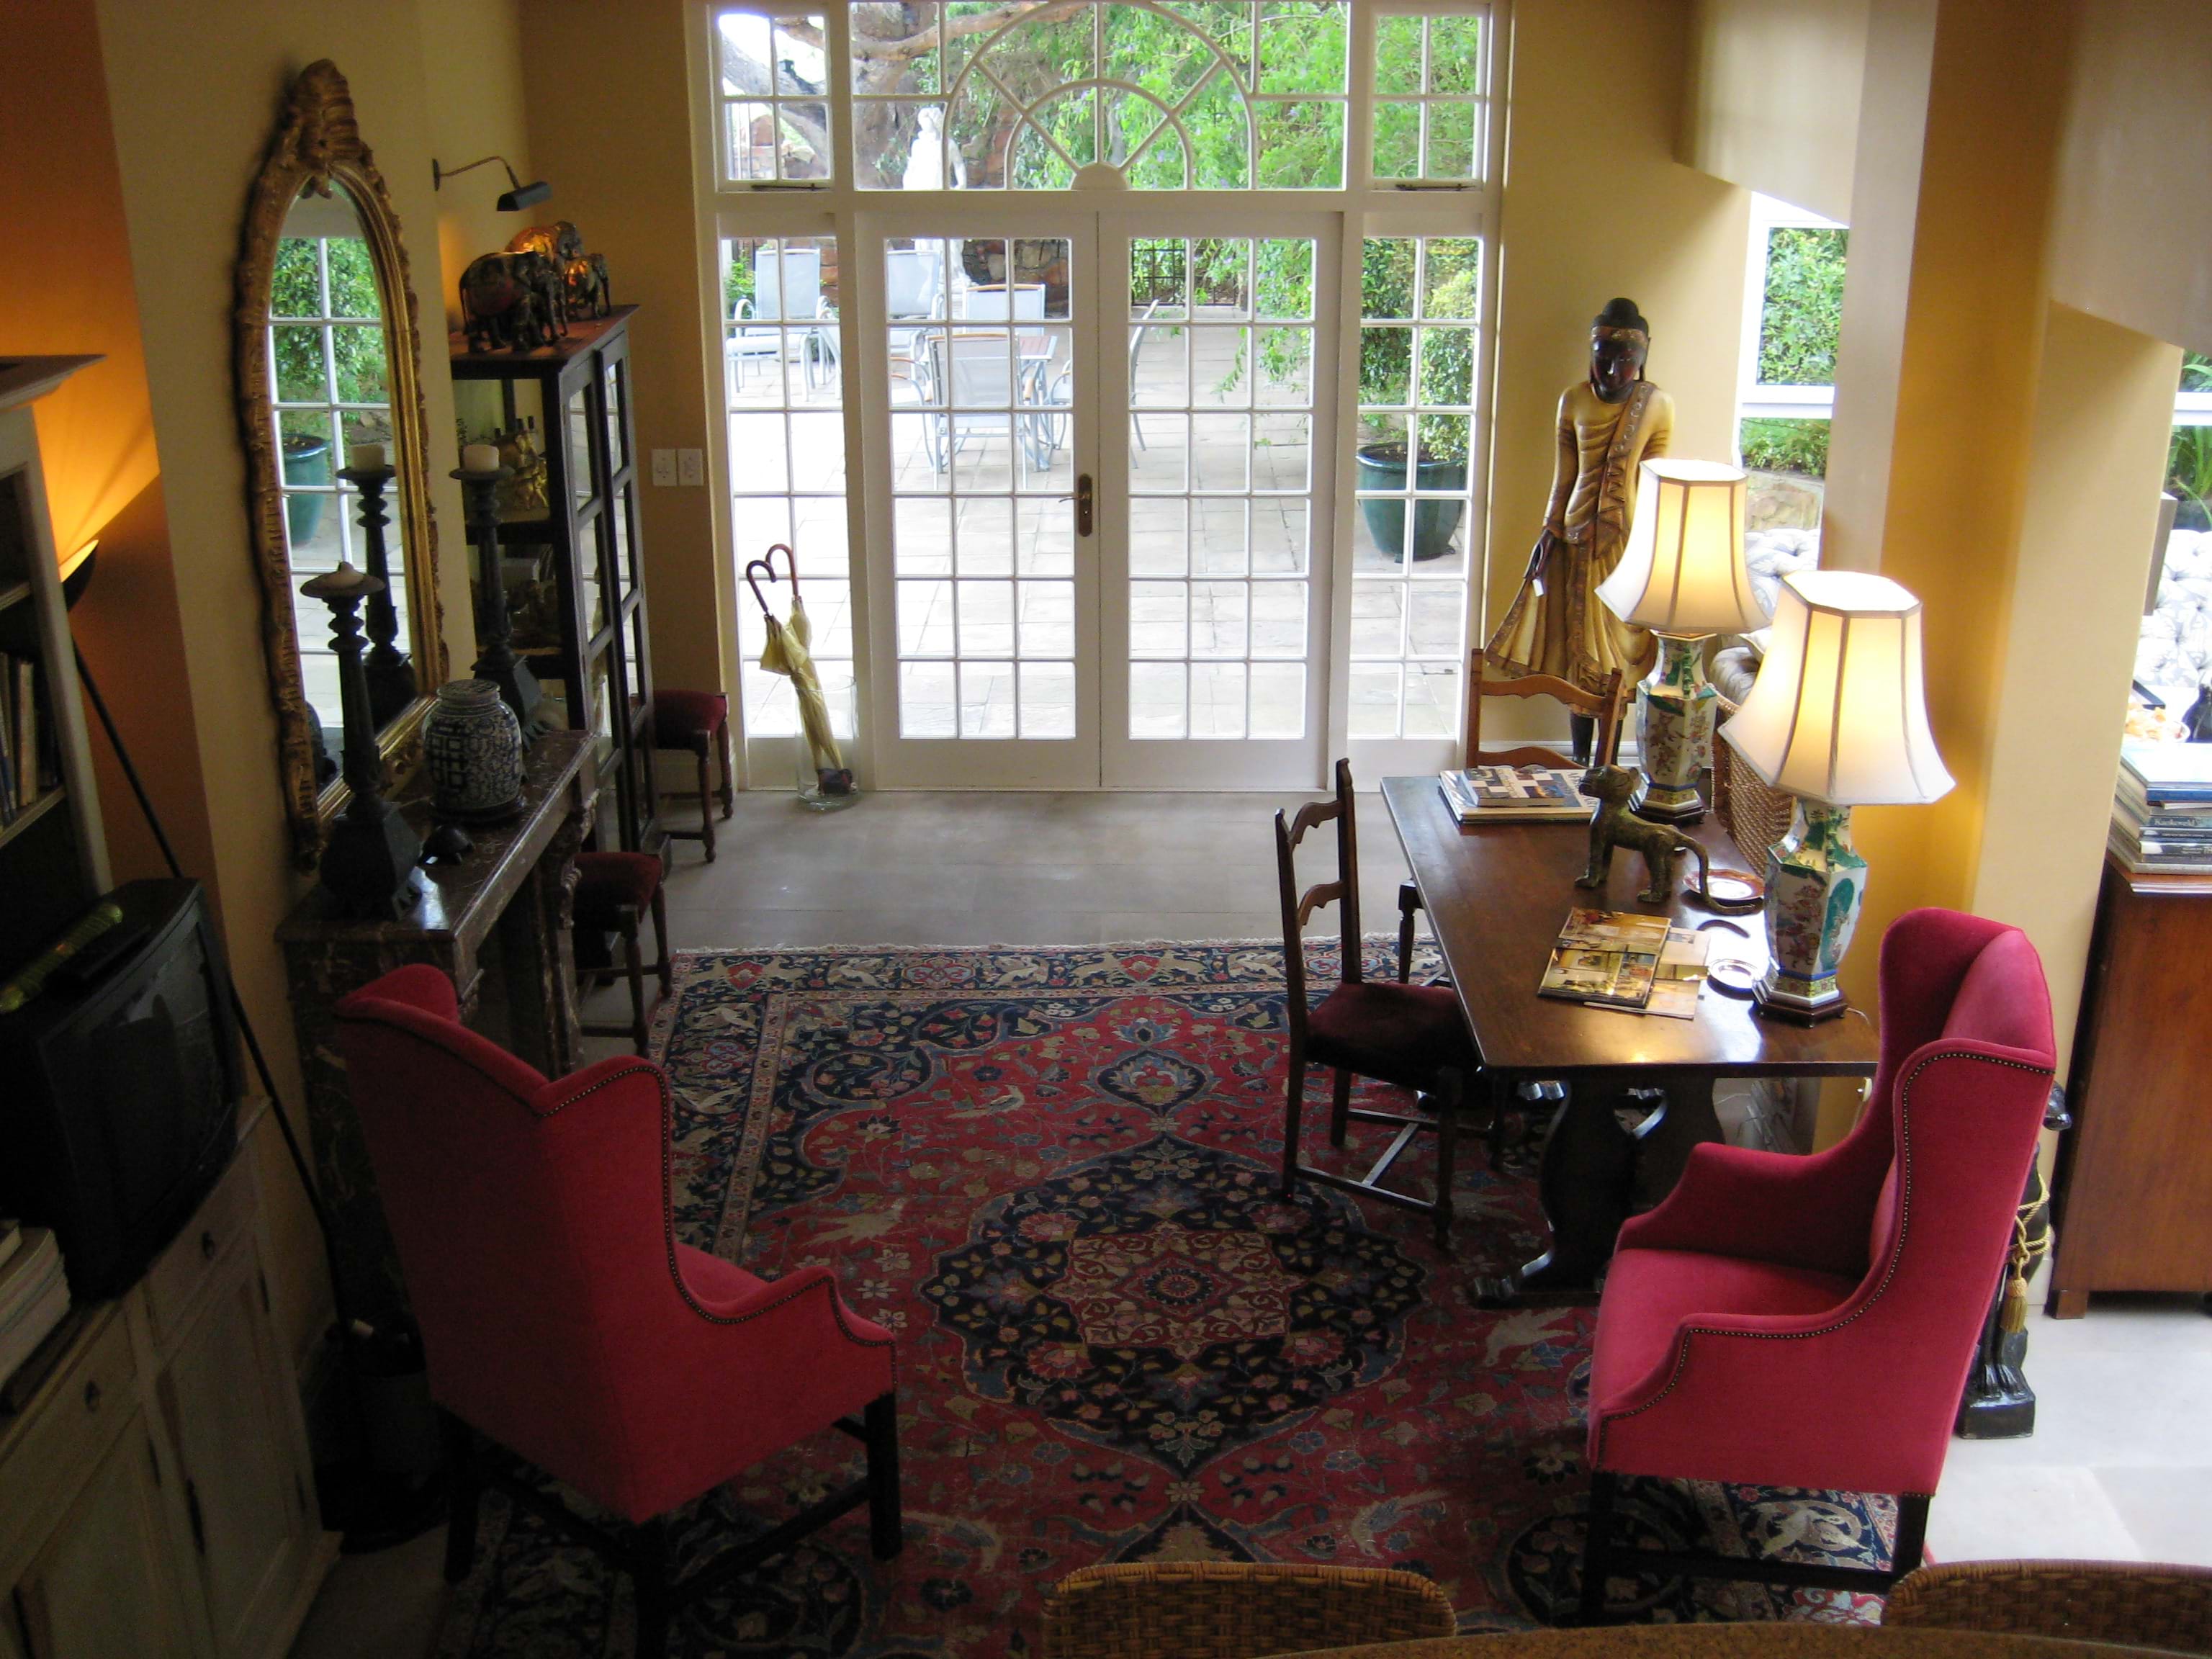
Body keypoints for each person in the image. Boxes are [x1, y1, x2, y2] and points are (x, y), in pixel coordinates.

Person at [1484, 298, 1675, 761]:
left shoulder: (1657, 406)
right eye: (1602, 356)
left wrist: (1660, 548)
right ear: (1591, 352)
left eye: (1625, 360)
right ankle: (1579, 761)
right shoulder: (1573, 400)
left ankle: (1607, 764)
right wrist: (1548, 530)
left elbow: (1657, 483)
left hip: (1627, 542)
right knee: (1580, 654)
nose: (1612, 370)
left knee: (1617, 655)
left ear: (1644, 356)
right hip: (1576, 537)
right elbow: (1564, 476)